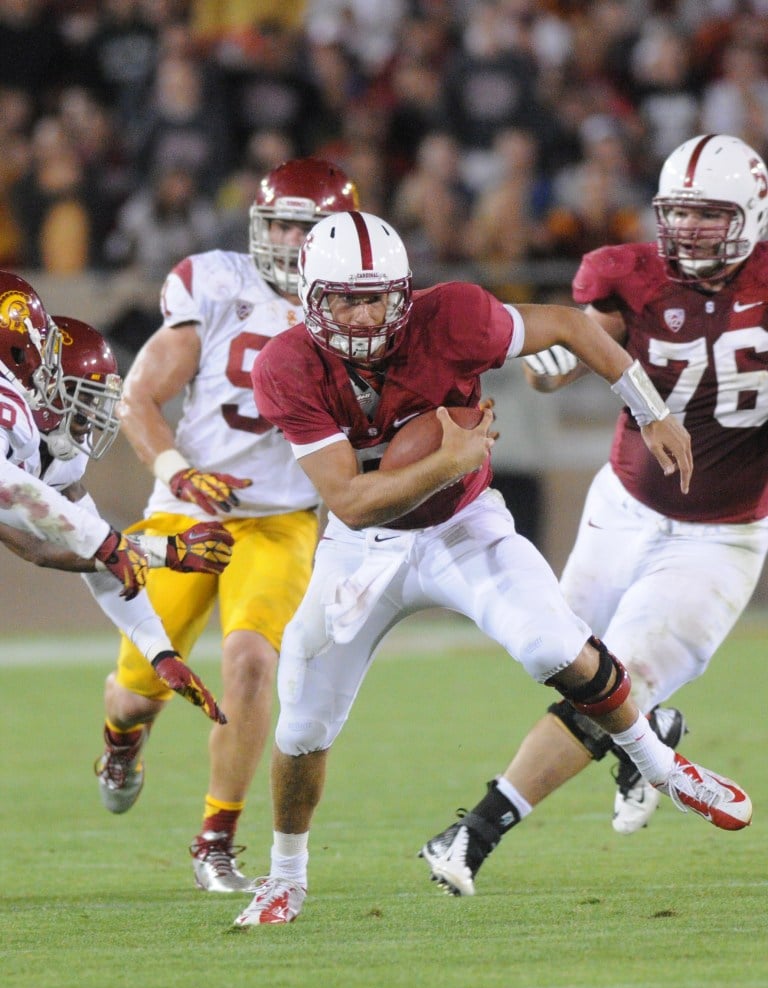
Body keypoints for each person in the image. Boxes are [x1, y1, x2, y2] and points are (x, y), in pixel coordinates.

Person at [233, 209, 751, 927]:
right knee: (302, 725)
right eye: (343, 298)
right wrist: (446, 458)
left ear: (404, 292)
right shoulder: (285, 364)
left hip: (464, 525)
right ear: (311, 298)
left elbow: (571, 326)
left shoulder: (454, 317)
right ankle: (286, 876)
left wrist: (652, 409)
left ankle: (662, 765)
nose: (360, 313)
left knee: (553, 643)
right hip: (364, 548)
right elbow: (350, 502)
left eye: (375, 295)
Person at [420, 132, 768, 896]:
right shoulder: (628, 272)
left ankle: (475, 832)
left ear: (751, 214)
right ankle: (656, 741)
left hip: (720, 534)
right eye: (678, 214)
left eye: (710, 216)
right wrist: (559, 361)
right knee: (555, 653)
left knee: (620, 677)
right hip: (623, 505)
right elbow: (589, 339)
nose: (689, 232)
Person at [94, 157, 360, 893]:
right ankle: (121, 741)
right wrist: (177, 470)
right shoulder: (214, 282)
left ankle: (216, 839)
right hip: (190, 510)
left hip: (279, 523)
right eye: (276, 222)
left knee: (251, 664)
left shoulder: (356, 305)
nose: (283, 239)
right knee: (134, 693)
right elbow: (137, 398)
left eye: (302, 229)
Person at [0, 281, 230, 724]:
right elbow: (26, 515)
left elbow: (60, 547)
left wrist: (159, 652)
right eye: (81, 401)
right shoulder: (14, 412)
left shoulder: (49, 448)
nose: (89, 421)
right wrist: (164, 551)